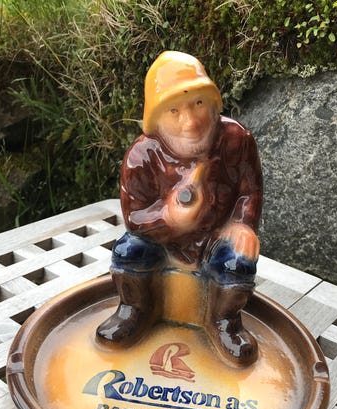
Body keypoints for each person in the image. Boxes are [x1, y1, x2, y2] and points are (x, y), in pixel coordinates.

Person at [96, 51, 263, 367]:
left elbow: (249, 190)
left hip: (217, 237)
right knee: (128, 251)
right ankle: (134, 309)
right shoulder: (142, 155)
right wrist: (168, 218)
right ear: (156, 117)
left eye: (198, 103)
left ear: (213, 102)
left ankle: (224, 321)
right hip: (161, 242)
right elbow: (134, 216)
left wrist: (243, 223)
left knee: (238, 262)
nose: (191, 122)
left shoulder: (237, 140)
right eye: (174, 111)